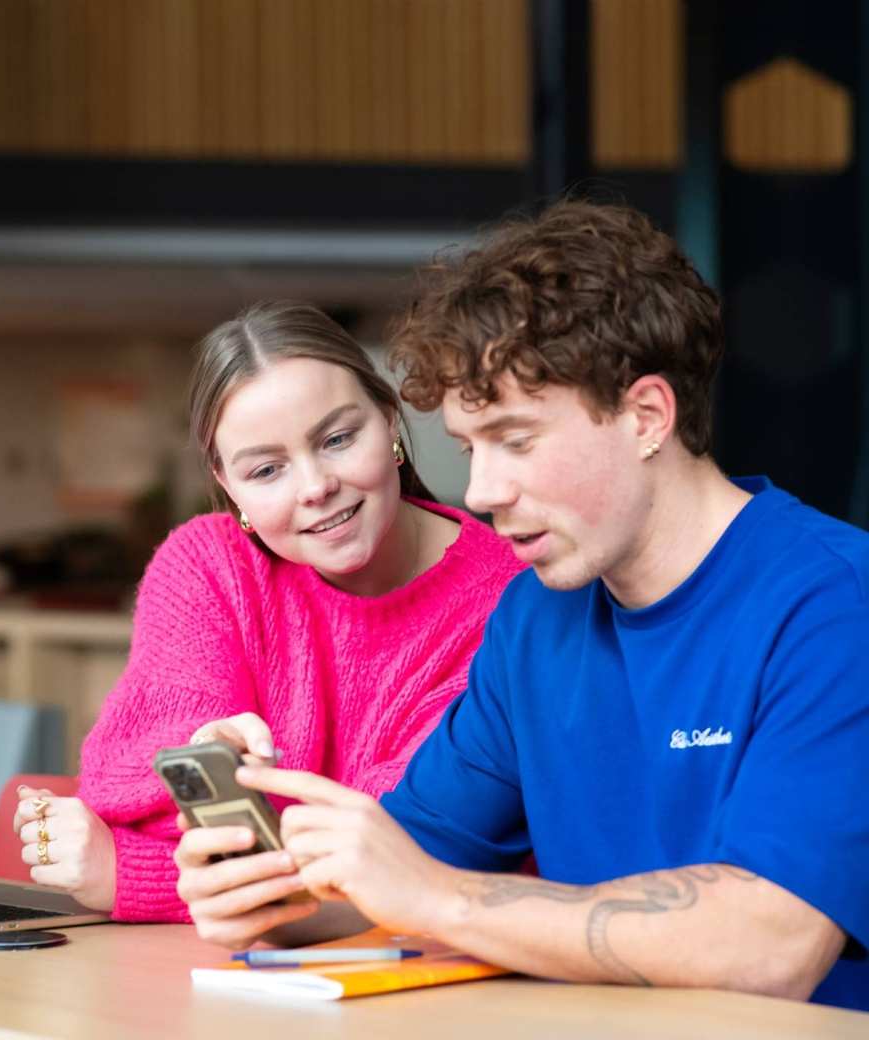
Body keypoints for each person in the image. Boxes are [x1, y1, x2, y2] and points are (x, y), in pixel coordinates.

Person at [230, 203, 869, 1011]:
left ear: (646, 417)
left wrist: (440, 899)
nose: (483, 493)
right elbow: (395, 872)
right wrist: (267, 894)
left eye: (517, 441)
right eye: (470, 449)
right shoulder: (533, 620)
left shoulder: (837, 604)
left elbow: (770, 945)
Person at [11, 300, 522, 929]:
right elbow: (119, 795)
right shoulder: (208, 565)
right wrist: (202, 753)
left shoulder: (512, 597)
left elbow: (400, 850)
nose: (313, 487)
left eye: (337, 439)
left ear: (390, 421)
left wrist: (128, 872)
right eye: (267, 469)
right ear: (229, 486)